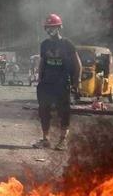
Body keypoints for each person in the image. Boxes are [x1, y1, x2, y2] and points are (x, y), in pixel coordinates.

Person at [34, 14, 81, 150]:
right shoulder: (44, 44)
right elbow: (42, 62)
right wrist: (39, 78)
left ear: (59, 27)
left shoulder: (67, 44)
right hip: (46, 84)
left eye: (53, 27)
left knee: (63, 112)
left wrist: (76, 81)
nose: (50, 30)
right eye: (48, 27)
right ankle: (45, 139)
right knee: (44, 111)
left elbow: (78, 64)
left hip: (62, 83)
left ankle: (63, 140)